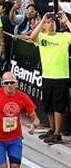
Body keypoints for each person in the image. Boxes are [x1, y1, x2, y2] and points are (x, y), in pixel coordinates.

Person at [29, 12, 71, 143]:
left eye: (52, 22)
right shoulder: (41, 37)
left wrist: (66, 21)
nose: (51, 24)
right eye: (48, 22)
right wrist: (42, 20)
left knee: (59, 106)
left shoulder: (64, 36)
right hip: (47, 76)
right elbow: (32, 36)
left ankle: (58, 133)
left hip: (61, 76)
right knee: (48, 105)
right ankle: (52, 130)